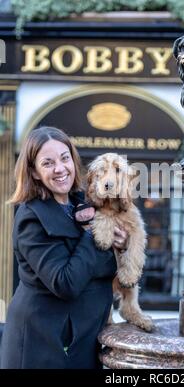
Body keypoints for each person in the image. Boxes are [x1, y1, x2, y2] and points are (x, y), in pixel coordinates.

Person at [0, 126, 128, 369]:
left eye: (65, 158)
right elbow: (65, 283)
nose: (60, 169)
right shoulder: (31, 217)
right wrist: (96, 233)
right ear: (35, 172)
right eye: (47, 163)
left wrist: (122, 246)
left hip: (84, 341)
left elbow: (108, 267)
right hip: (44, 345)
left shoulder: (86, 202)